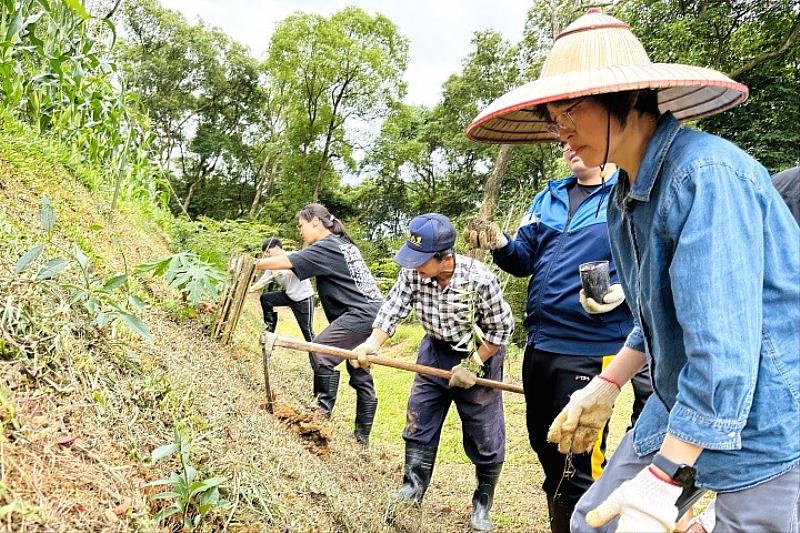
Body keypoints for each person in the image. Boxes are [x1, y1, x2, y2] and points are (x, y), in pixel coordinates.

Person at [467, 9, 799, 532]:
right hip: (677, 395)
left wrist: (666, 475)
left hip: (762, 408)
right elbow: (655, 315)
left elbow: (722, 344)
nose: (562, 133)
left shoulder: (706, 177)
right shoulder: (627, 193)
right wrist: (608, 384)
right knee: (593, 523)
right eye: (553, 118)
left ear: (627, 97)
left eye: (570, 111)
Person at [464, 143, 651, 532]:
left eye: (577, 141)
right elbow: (522, 261)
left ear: (606, 142)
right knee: (547, 450)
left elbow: (653, 258)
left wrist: (622, 292)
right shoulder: (548, 197)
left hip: (591, 346)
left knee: (578, 459)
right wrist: (500, 242)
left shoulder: (629, 193)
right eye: (564, 144)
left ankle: (592, 523)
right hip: (541, 344)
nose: (570, 149)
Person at [350, 213, 514, 532]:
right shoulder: (413, 274)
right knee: (419, 418)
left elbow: (501, 330)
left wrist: (473, 364)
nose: (414, 266)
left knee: (485, 435)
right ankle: (412, 490)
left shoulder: (479, 279)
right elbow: (394, 307)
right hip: (434, 352)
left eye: (422, 260)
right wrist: (372, 342)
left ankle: (482, 505)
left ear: (445, 257)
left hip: (479, 352)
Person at [254, 203, 384, 445]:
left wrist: (254, 263)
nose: (299, 230)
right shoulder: (342, 243)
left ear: (315, 222)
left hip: (362, 313)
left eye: (301, 225)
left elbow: (289, 261)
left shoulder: (328, 245)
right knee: (358, 365)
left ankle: (320, 415)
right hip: (374, 313)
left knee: (320, 351)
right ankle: (362, 438)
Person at [250, 237, 315, 342]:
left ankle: (318, 356)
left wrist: (286, 271)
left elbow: (306, 269)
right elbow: (264, 280)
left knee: (307, 331)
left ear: (276, 248)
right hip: (288, 295)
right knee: (266, 299)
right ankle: (269, 329)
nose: (267, 255)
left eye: (268, 251)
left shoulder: (293, 256)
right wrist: (251, 289)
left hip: (303, 298)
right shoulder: (272, 264)